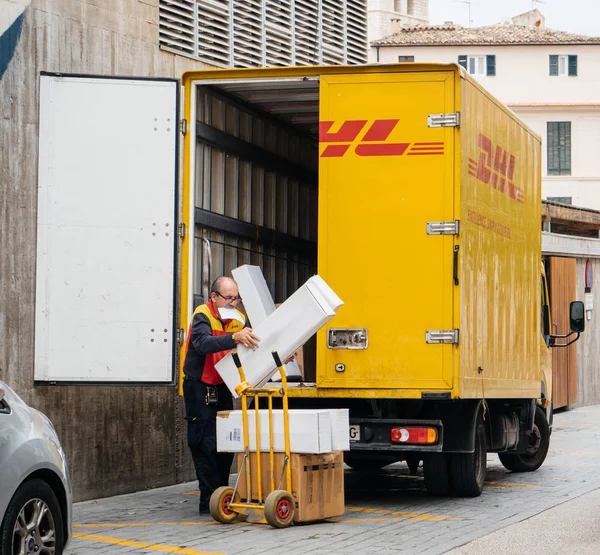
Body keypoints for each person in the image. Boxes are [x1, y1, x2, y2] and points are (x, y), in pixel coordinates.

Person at [182, 276, 260, 514]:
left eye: (236, 298)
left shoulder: (238, 318)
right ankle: (208, 502)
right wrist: (234, 337)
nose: (233, 303)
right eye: (228, 298)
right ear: (214, 297)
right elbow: (203, 344)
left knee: (226, 442)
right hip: (200, 386)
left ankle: (222, 496)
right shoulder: (202, 315)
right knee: (205, 443)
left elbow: (254, 341)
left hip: (224, 385)